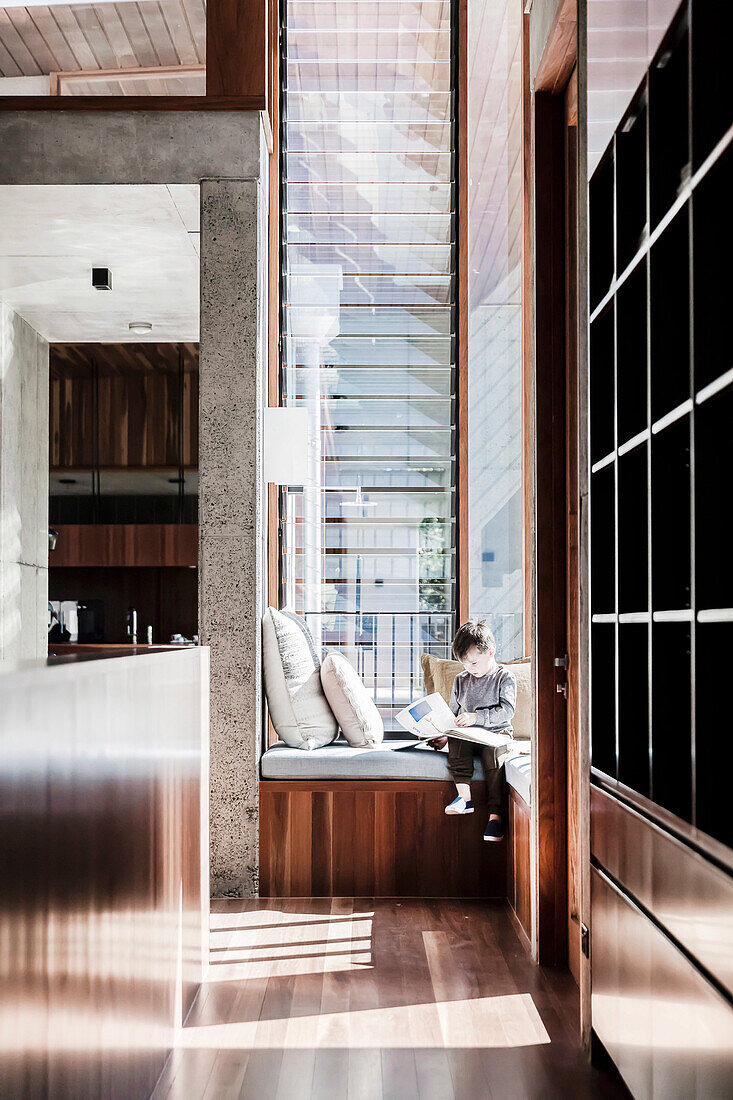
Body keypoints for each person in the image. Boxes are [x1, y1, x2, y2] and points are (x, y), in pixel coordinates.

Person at [429, 619, 517, 842]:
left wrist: (477, 717)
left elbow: (507, 711)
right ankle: (464, 798)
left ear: (490, 652)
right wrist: (444, 736)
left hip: (497, 733)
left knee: (494, 756)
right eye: (465, 664)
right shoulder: (461, 680)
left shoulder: (504, 677)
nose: (470, 669)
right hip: (469, 736)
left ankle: (495, 816)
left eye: (474, 663)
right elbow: (452, 715)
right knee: (457, 741)